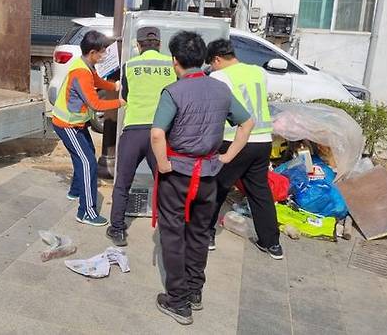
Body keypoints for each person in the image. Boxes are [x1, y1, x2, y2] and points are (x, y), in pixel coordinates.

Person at [150, 31, 254, 325]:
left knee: (172, 235)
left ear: (175, 60)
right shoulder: (221, 89)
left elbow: (157, 133)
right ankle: (194, 292)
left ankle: (178, 301)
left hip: (179, 173)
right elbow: (247, 123)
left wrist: (164, 164)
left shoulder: (174, 91)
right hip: (209, 175)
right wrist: (228, 156)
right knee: (199, 233)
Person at [206, 38, 283, 260]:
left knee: (217, 187)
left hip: (235, 140)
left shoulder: (220, 76)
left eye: (211, 63)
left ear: (217, 59)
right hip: (262, 141)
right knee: (260, 191)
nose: (211, 68)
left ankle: (207, 234)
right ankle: (272, 243)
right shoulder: (258, 72)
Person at [106, 27, 176, 247]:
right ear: (159, 44)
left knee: (122, 183)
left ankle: (117, 230)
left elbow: (125, 96)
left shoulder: (130, 66)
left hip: (133, 131)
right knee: (165, 184)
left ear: (138, 45)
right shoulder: (170, 65)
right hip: (161, 132)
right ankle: (170, 232)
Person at [51, 30, 125, 226]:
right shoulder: (82, 72)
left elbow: (97, 82)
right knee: (88, 163)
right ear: (92, 52)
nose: (105, 55)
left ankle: (75, 190)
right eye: (102, 52)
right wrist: (121, 102)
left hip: (74, 122)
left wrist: (114, 87)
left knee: (85, 155)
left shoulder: (85, 64)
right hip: (67, 125)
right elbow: (96, 104)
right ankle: (86, 212)